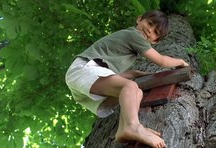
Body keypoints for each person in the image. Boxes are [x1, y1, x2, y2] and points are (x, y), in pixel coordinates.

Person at [65, 10, 189, 148]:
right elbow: (161, 61)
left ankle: (123, 130)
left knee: (137, 92)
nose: (149, 30)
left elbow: (118, 75)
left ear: (155, 41)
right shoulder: (134, 35)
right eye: (149, 23)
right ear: (139, 19)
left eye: (155, 32)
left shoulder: (127, 46)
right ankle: (133, 126)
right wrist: (181, 62)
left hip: (85, 80)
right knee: (129, 86)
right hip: (82, 69)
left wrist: (136, 74)